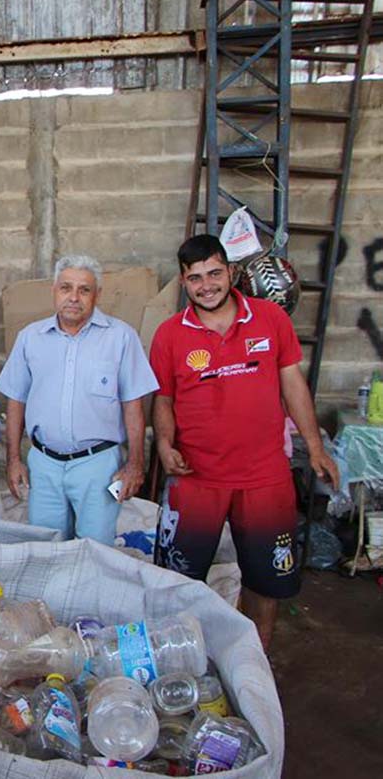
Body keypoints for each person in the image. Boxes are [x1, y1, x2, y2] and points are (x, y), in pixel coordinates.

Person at [150, 234, 339, 651]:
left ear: (231, 272)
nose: (207, 285)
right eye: (195, 278)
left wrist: (316, 446)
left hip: (264, 477)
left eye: (214, 273)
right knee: (178, 579)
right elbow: (163, 399)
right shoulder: (169, 335)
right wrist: (165, 445)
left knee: (265, 580)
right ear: (184, 282)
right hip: (196, 479)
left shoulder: (271, 319)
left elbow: (293, 385)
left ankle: (257, 652)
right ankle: (181, 656)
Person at [0, 255, 158, 544]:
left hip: (98, 465)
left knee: (95, 550)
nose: (74, 297)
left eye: (84, 290)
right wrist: (14, 460)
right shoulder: (30, 338)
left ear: (98, 295)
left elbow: (133, 404)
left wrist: (135, 464)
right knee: (46, 547)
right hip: (44, 464)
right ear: (54, 291)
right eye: (66, 288)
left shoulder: (121, 337)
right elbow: (16, 401)